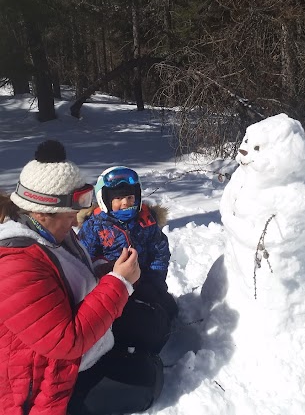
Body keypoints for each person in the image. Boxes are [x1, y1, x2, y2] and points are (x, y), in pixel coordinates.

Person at [0, 141, 163, 415]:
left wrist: (108, 270)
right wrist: (118, 283)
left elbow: (72, 276)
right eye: (70, 213)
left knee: (153, 324)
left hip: (79, 349)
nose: (76, 221)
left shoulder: (49, 234)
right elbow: (67, 341)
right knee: (146, 381)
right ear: (41, 211)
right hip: (44, 381)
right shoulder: (15, 266)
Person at [77, 166, 178, 353]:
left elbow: (159, 251)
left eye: (130, 197)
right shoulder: (95, 225)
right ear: (105, 200)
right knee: (125, 321)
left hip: (144, 280)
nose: (125, 203)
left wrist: (155, 280)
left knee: (169, 309)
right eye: (118, 198)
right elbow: (84, 257)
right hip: (112, 285)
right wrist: (101, 276)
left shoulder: (146, 222)